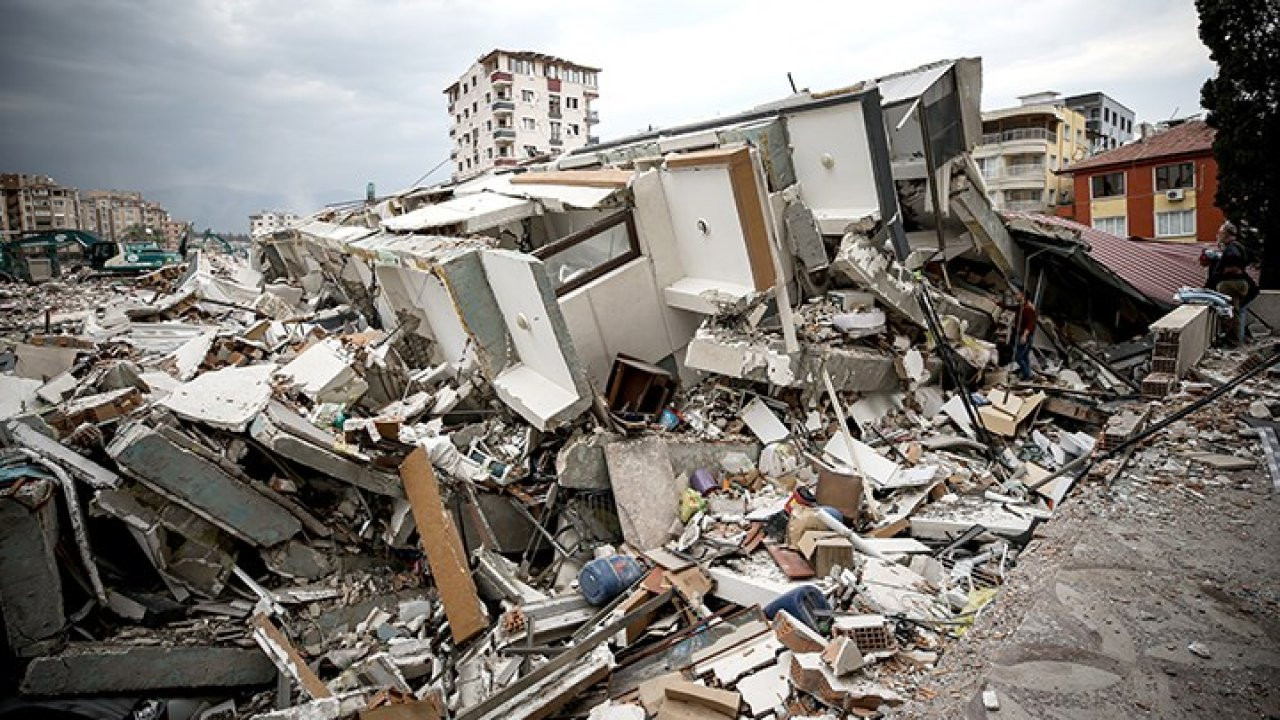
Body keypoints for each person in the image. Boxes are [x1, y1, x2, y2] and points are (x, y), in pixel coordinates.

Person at [1203, 221, 1255, 346]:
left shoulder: (1232, 248)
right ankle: (1236, 339)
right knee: (1235, 312)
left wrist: (1227, 268)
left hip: (1231, 284)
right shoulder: (1239, 246)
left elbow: (1233, 258)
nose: (1219, 236)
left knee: (1230, 312)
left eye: (1220, 233)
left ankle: (1233, 341)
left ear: (1226, 234)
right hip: (1239, 283)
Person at [999, 288, 1038, 381]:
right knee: (1025, 357)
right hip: (1023, 335)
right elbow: (1010, 307)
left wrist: (1024, 335)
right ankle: (1028, 375)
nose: (1016, 296)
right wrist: (998, 303)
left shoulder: (1028, 309)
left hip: (1025, 336)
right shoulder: (1022, 307)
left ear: (1023, 296)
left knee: (1018, 357)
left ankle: (1027, 376)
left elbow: (1030, 324)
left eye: (1018, 294)